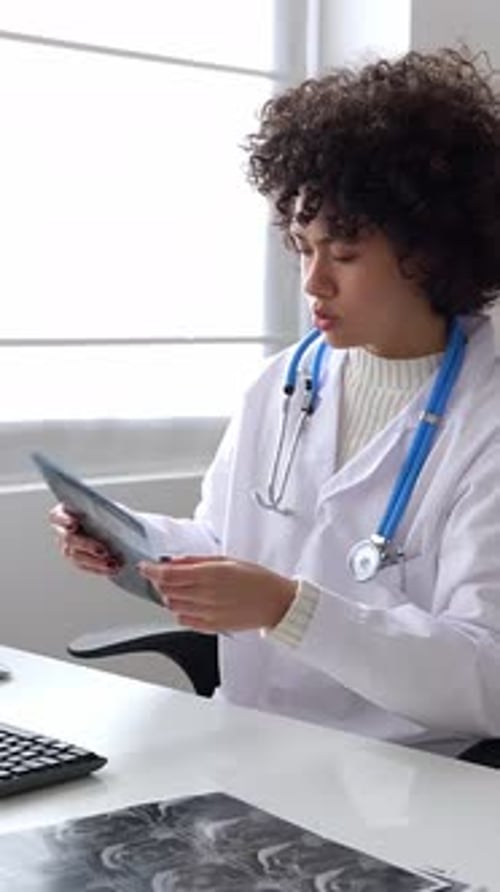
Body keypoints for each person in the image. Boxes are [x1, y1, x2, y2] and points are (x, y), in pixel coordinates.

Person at [51, 48, 500, 757]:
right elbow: (228, 545)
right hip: (252, 745)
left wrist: (289, 609)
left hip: (409, 774)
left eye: (343, 254)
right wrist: (135, 543)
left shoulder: (488, 417)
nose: (313, 282)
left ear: (429, 251)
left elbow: (486, 676)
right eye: (300, 247)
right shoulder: (282, 385)